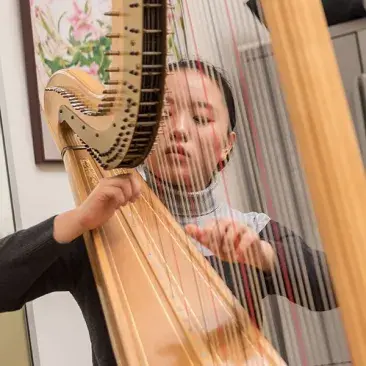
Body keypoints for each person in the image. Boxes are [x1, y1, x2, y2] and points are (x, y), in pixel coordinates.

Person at [0, 60, 336, 365]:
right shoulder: (100, 230)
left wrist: (264, 256)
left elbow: (333, 288)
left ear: (227, 145)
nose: (179, 130)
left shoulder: (252, 231)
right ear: (142, 133)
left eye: (201, 118)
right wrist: (76, 221)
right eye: (163, 115)